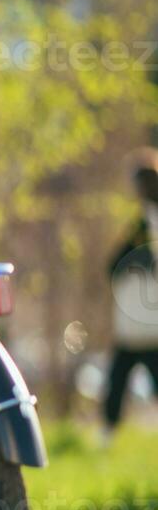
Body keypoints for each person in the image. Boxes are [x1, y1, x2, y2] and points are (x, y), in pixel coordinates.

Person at [104, 150, 158, 438]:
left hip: (146, 323)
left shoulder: (147, 224)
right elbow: (115, 265)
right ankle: (107, 432)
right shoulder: (142, 223)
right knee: (118, 377)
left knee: (119, 376)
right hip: (138, 323)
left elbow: (115, 264)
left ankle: (107, 433)